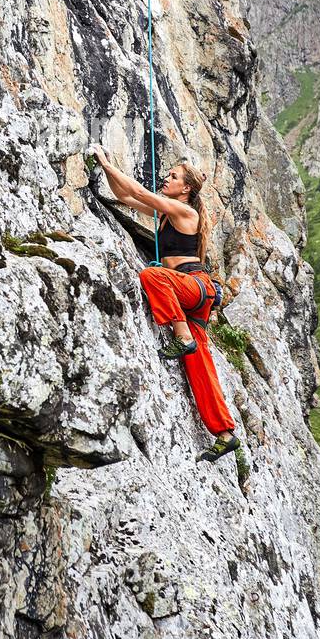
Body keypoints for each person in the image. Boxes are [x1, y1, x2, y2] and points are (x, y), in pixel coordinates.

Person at [90, 146, 241, 463]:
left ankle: (182, 336)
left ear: (185, 189)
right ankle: (225, 434)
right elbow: (126, 196)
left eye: (173, 176)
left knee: (152, 275)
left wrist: (107, 160)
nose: (166, 178)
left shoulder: (186, 213)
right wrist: (105, 170)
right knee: (199, 366)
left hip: (192, 285)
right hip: (190, 295)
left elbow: (139, 190)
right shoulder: (167, 213)